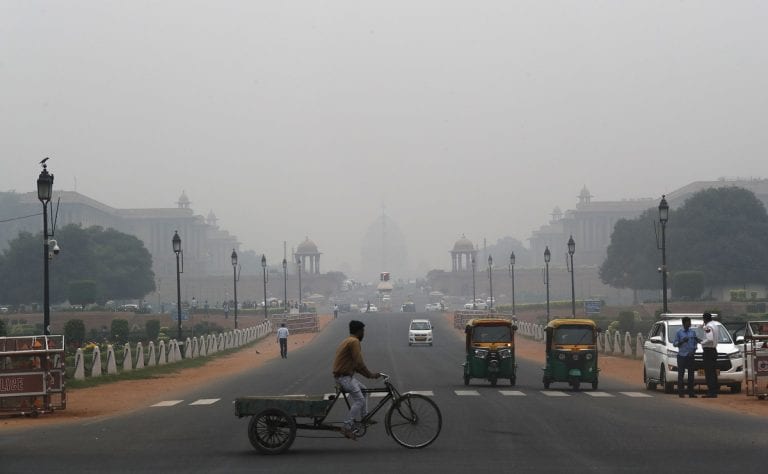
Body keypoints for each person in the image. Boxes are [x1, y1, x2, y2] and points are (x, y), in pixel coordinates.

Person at [332, 320, 381, 440]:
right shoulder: (354, 342)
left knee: (364, 390)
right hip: (343, 378)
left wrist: (369, 375)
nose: (364, 333)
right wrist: (370, 374)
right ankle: (347, 426)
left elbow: (355, 366)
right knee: (360, 400)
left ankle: (364, 417)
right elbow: (359, 362)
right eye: (363, 331)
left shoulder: (348, 340)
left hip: (345, 377)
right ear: (359, 331)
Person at [672, 316, 698, 398]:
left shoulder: (693, 332)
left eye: (690, 322)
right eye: (688, 323)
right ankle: (681, 392)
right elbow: (675, 344)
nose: (689, 324)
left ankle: (691, 393)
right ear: (684, 323)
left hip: (690, 356)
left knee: (691, 375)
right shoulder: (679, 332)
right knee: (681, 374)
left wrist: (694, 350)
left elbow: (695, 343)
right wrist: (682, 341)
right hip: (682, 356)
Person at [701, 312, 719, 398]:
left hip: (708, 351)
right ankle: (714, 391)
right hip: (713, 350)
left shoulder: (708, 326)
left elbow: (710, 339)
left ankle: (711, 392)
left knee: (709, 372)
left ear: (704, 319)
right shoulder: (714, 325)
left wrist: (701, 342)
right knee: (713, 372)